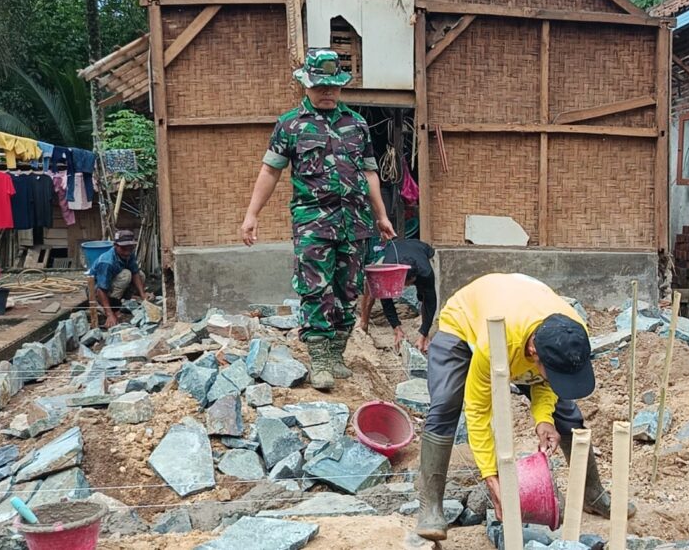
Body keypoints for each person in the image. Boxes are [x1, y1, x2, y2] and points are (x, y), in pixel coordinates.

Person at [414, 273, 635, 541]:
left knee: (567, 416)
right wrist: (491, 477)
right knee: (446, 404)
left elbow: (547, 382)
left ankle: (592, 494)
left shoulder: (572, 332)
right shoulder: (497, 344)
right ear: (533, 352)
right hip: (464, 324)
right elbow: (478, 410)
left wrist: (544, 419)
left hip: (517, 310)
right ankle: (431, 507)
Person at [240, 48, 395, 391]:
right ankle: (320, 358)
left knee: (349, 288)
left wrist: (382, 216)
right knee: (315, 289)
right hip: (313, 222)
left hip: (355, 222)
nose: (327, 92)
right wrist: (252, 214)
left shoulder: (357, 124)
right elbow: (270, 171)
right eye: (320, 85)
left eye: (333, 86)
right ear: (306, 85)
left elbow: (370, 172)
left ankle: (337, 353)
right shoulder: (290, 125)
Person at [358, 239, 437, 353]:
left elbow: (431, 302)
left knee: (424, 295)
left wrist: (423, 333)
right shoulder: (388, 270)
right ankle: (363, 324)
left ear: (414, 278)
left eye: (408, 284)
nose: (405, 287)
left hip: (420, 248)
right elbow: (386, 300)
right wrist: (396, 328)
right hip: (394, 250)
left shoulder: (426, 272)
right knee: (372, 287)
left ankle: (425, 337)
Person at [90, 230, 148, 329]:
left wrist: (143, 295)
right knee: (126, 275)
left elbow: (135, 272)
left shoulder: (129, 254)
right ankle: (111, 307)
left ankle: (124, 301)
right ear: (115, 245)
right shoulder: (107, 262)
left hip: (112, 284)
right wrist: (110, 314)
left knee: (141, 275)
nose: (127, 252)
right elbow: (101, 290)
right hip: (97, 291)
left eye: (130, 248)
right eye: (124, 248)